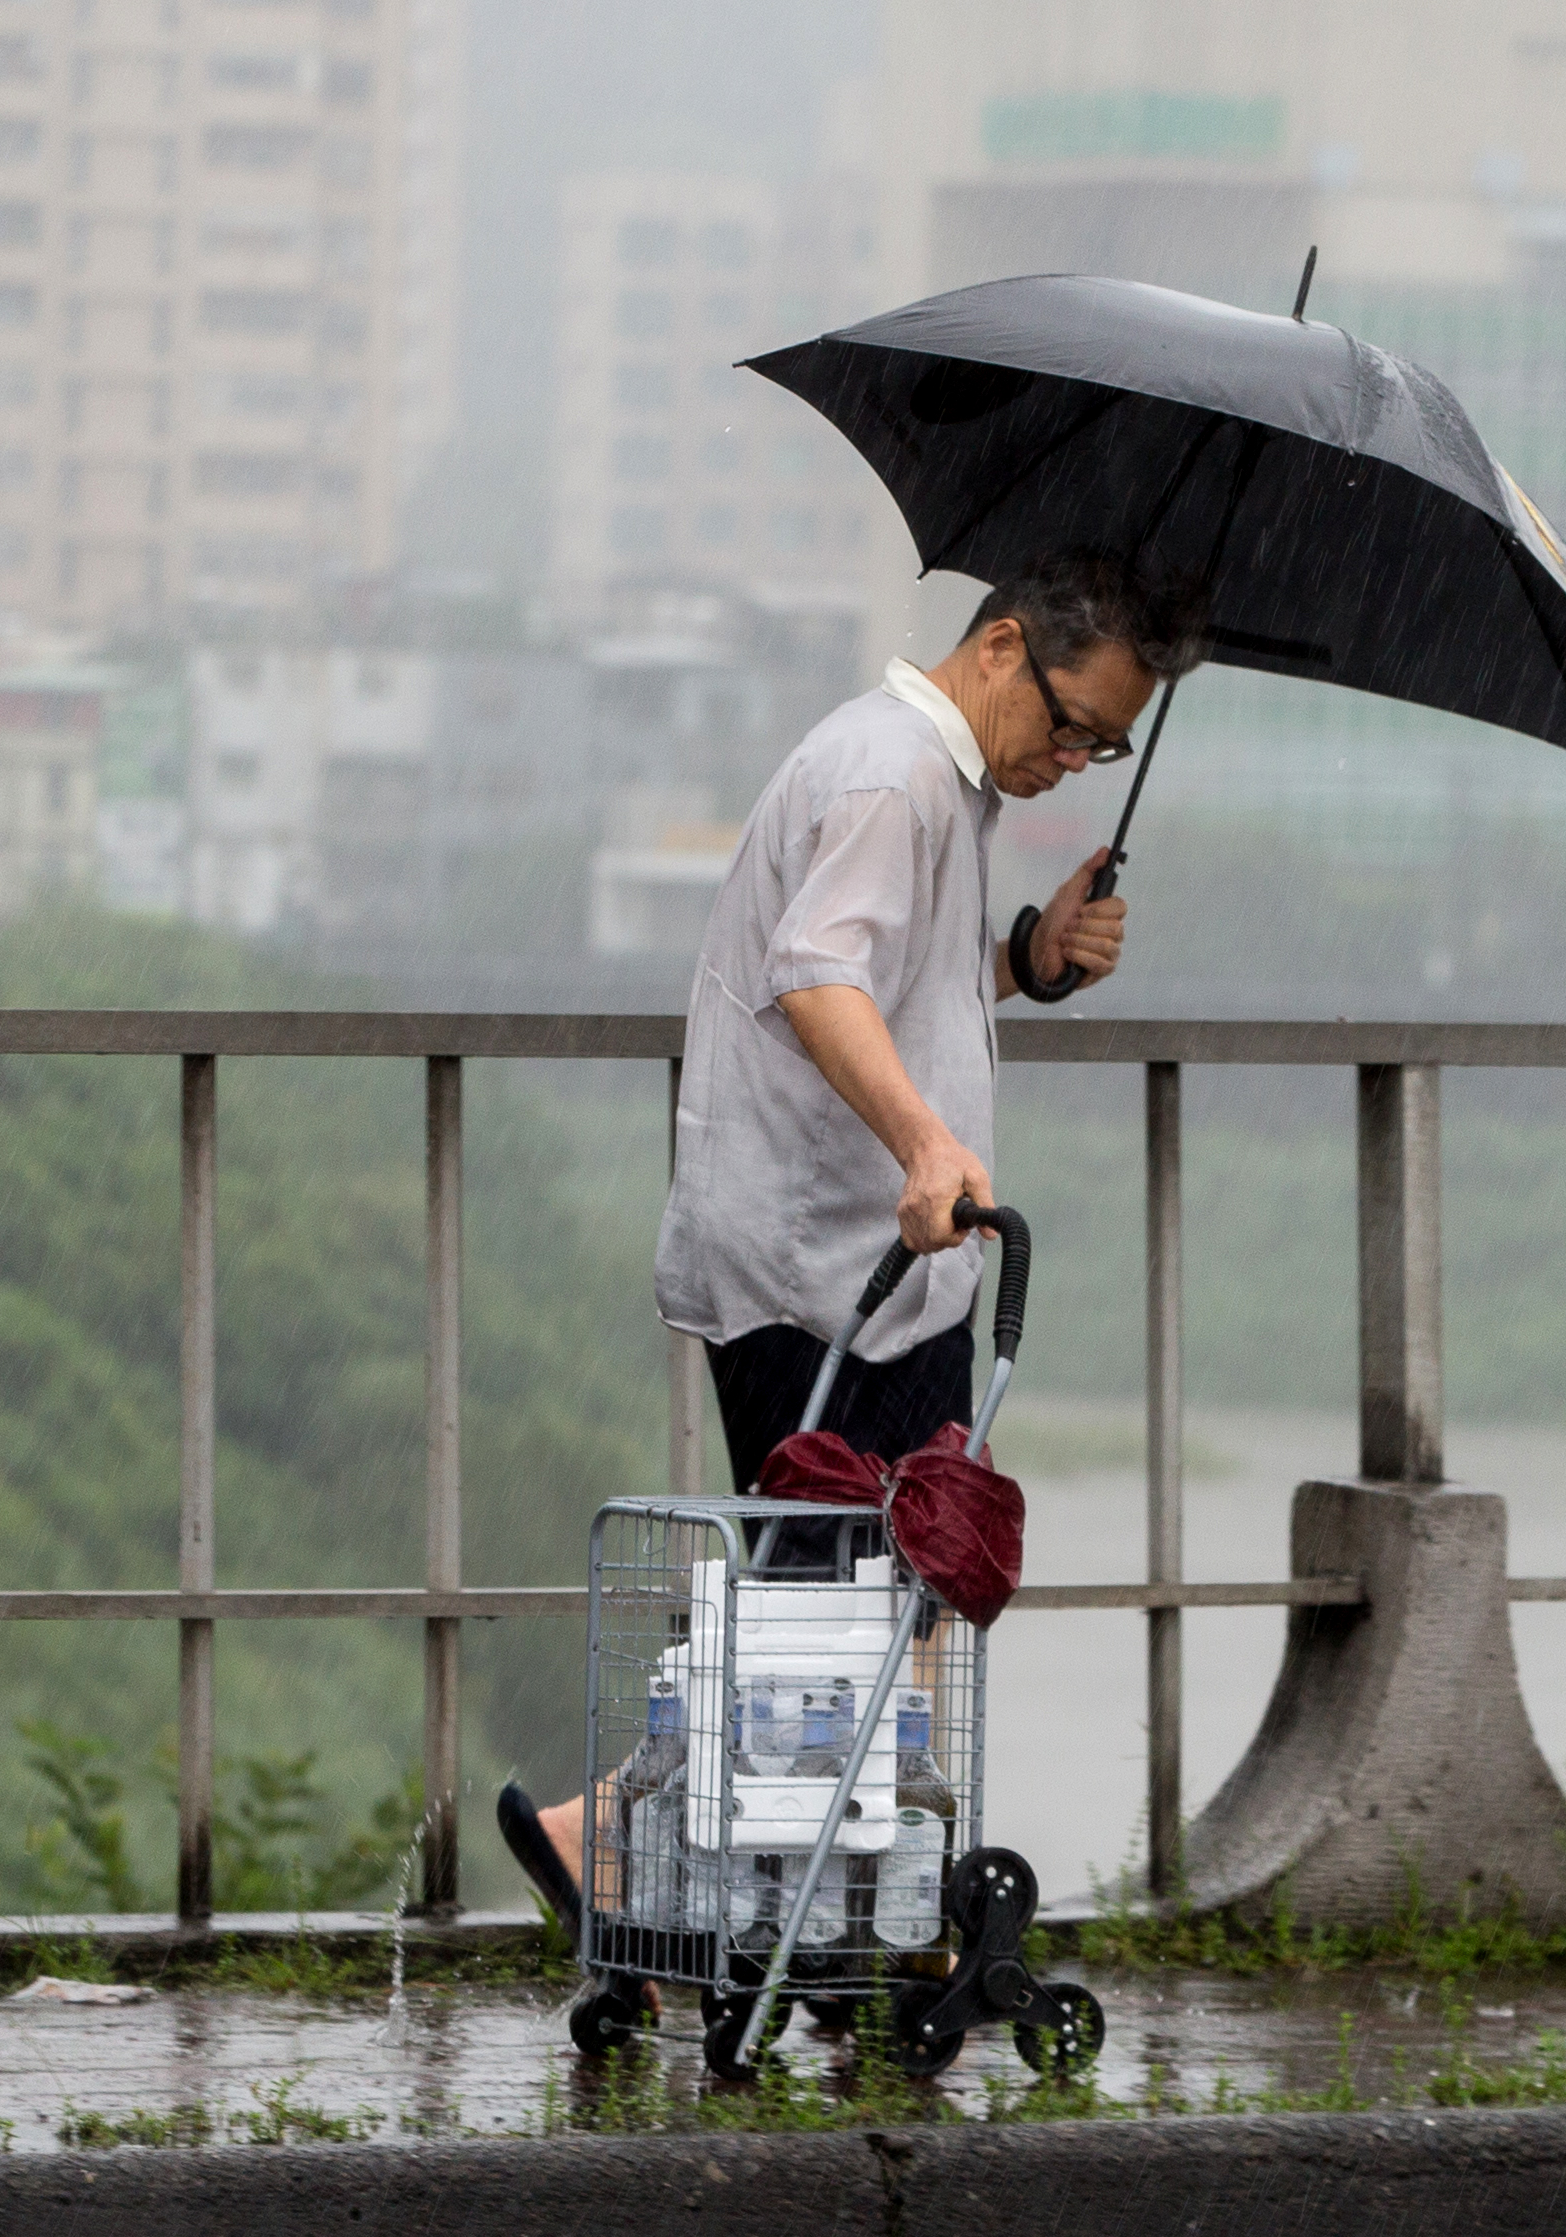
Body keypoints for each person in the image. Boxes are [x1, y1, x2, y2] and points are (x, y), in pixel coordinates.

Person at [499, 546, 1201, 1938]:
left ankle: (783, 1897)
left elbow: (896, 973)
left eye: (1106, 742)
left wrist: (1028, 955)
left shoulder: (932, 775)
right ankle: (661, 1857)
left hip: (868, 1270)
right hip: (818, 1265)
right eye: (1070, 722)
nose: (1074, 756)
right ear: (999, 645)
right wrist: (927, 1144)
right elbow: (818, 976)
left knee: (868, 1600)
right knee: (839, 1610)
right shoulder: (894, 772)